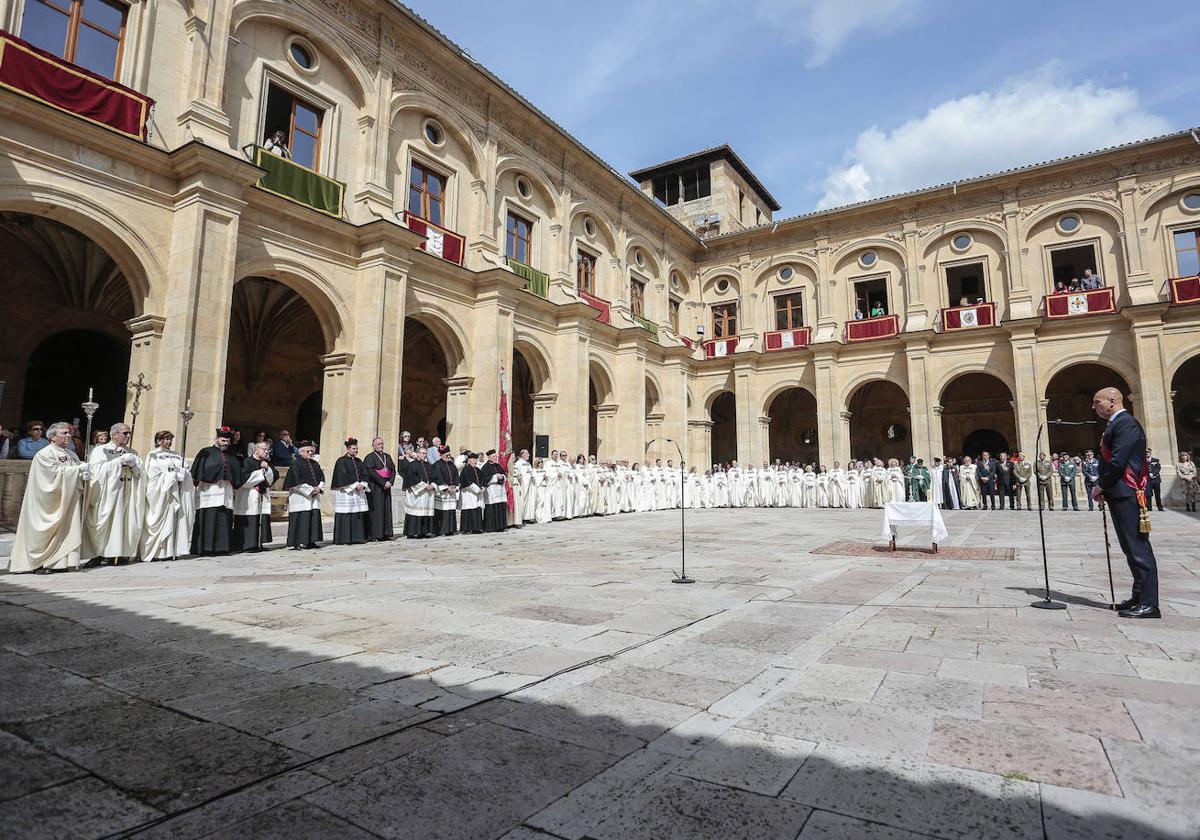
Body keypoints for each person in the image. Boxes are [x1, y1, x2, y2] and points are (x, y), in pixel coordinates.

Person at [1092, 387, 1160, 618]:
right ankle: (1139, 596)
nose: (1094, 406)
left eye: (1097, 402)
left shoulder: (1126, 423)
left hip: (1128, 492)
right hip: (1119, 492)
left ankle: (1150, 603)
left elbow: (1119, 461)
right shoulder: (1116, 424)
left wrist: (1101, 486)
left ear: (1112, 401)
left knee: (1138, 548)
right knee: (1130, 549)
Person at [8, 422, 89, 573]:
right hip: (48, 503)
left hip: (68, 501)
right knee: (44, 530)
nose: (68, 436)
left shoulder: (71, 454)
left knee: (68, 528)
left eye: (69, 433)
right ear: (52, 437)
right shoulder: (44, 454)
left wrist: (82, 475)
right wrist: (76, 470)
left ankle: (63, 562)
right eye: (64, 433)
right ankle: (40, 563)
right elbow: (49, 477)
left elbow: (73, 472)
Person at [84, 422, 144, 565]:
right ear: (114, 434)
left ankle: (120, 553)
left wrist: (133, 465)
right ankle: (99, 553)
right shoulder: (102, 450)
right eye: (125, 433)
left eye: (129, 433)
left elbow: (141, 473)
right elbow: (97, 471)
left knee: (125, 523)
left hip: (127, 492)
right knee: (106, 523)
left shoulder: (132, 452)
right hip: (109, 494)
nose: (128, 436)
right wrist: (119, 461)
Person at [141, 430, 194, 560]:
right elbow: (153, 476)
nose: (168, 442)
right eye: (165, 439)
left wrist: (185, 474)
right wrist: (172, 476)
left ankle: (172, 551)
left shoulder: (177, 455)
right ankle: (159, 551)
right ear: (158, 441)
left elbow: (185, 468)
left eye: (170, 439)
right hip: (163, 494)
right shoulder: (154, 455)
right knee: (165, 521)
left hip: (177, 493)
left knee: (177, 519)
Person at [190, 427, 239, 556]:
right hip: (209, 491)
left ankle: (222, 547)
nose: (225, 443)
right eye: (223, 440)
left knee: (224, 517)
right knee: (208, 517)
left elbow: (237, 473)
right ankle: (205, 548)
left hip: (225, 491)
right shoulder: (205, 452)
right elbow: (197, 471)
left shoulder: (231, 455)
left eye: (227, 441)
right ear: (217, 439)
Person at [233, 441, 275, 551]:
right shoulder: (246, 462)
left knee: (260, 518)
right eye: (264, 449)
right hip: (248, 495)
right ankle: (247, 545)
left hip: (262, 494)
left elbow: (273, 477)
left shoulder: (266, 463)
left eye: (268, 450)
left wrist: (267, 469)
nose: (266, 452)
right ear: (256, 450)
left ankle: (258, 543)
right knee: (250, 519)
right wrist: (261, 472)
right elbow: (244, 479)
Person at [284, 440, 324, 549]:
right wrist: (311, 490)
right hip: (300, 496)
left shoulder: (315, 464)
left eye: (312, 451)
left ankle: (311, 541)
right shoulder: (296, 464)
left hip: (313, 496)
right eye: (308, 451)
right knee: (299, 519)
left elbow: (321, 477)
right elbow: (296, 480)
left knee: (312, 517)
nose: (311, 453)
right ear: (301, 452)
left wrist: (319, 488)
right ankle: (296, 542)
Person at [331, 438, 370, 545]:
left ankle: (357, 537)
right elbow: (342, 476)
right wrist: (355, 485)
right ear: (348, 449)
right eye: (353, 449)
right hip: (347, 493)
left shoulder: (359, 461)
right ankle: (344, 539)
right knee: (346, 513)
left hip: (358, 493)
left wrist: (363, 484)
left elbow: (364, 474)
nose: (356, 451)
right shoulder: (341, 461)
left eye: (357, 449)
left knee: (357, 513)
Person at [363, 437, 396, 541]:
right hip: (375, 487)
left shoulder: (388, 456)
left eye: (382, 443)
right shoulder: (369, 457)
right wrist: (383, 482)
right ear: (373, 445)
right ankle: (375, 535)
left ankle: (386, 533)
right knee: (376, 511)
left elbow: (393, 470)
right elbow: (371, 472)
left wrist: (390, 482)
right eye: (378, 444)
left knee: (386, 510)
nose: (381, 445)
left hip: (387, 487)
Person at [402, 446, 435, 538]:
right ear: (418, 453)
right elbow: (411, 478)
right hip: (416, 493)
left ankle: (423, 532)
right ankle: (412, 532)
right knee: (415, 513)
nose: (424, 455)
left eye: (425, 453)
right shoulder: (412, 465)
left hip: (427, 493)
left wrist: (432, 485)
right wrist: (424, 486)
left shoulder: (429, 465)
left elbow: (434, 477)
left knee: (424, 513)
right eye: (422, 453)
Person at [431, 445, 459, 536]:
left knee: (451, 511)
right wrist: (446, 488)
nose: (448, 457)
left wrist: (455, 487)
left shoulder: (452, 465)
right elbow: (437, 478)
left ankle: (450, 530)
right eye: (446, 455)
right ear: (441, 455)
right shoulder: (437, 465)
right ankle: (441, 530)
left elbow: (456, 476)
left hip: (452, 491)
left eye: (449, 455)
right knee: (442, 512)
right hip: (442, 492)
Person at [480, 449, 509, 532]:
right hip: (491, 492)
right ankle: (491, 527)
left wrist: (502, 477)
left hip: (499, 491)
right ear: (489, 457)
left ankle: (501, 526)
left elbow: (504, 475)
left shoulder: (498, 466)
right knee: (492, 509)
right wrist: (495, 477)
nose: (496, 458)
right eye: (494, 456)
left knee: (500, 508)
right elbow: (484, 479)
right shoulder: (485, 467)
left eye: (496, 456)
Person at [458, 452, 486, 534]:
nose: (475, 461)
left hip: (477, 493)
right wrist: (477, 489)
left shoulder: (477, 470)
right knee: (469, 510)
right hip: (469, 493)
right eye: (473, 460)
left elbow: (483, 480)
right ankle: (467, 529)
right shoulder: (465, 470)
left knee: (477, 510)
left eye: (476, 460)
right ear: (469, 460)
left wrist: (482, 488)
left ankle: (477, 528)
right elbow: (467, 481)